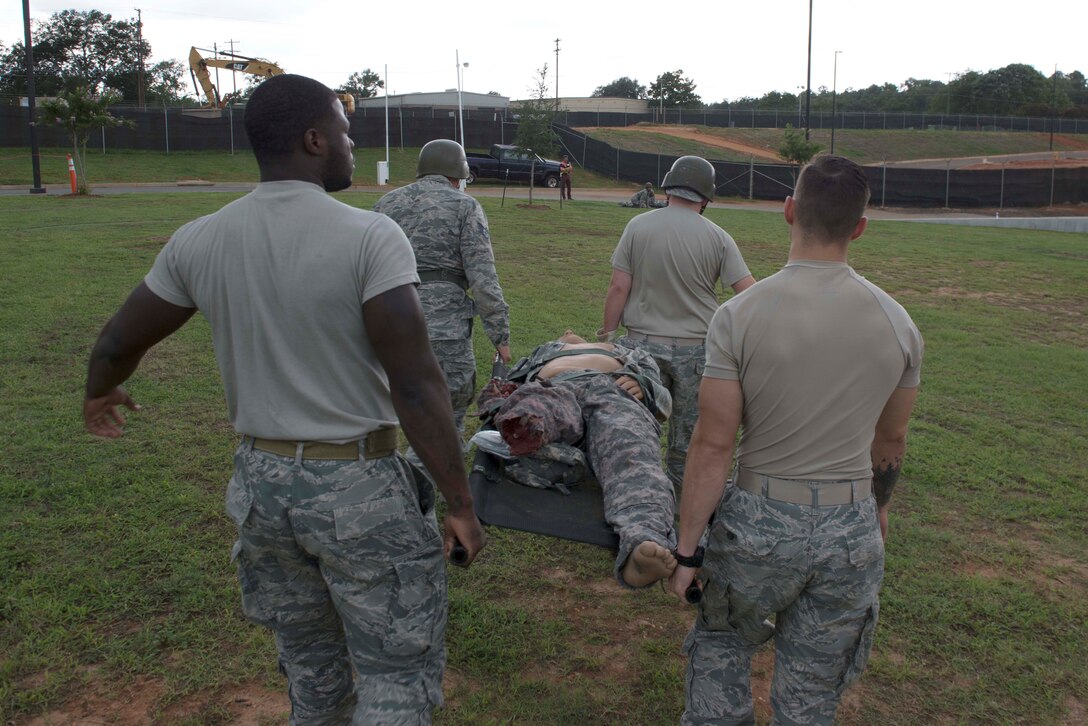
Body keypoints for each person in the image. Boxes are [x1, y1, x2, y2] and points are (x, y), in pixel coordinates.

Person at [81, 74, 485, 724]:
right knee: (394, 676)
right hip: (356, 488)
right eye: (346, 133)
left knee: (312, 675)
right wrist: (461, 504)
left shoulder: (200, 238)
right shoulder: (369, 238)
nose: (352, 147)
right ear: (313, 138)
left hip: (262, 493)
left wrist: (100, 392)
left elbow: (116, 342)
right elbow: (415, 384)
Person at [668, 155, 924, 725]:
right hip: (851, 528)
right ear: (860, 226)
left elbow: (712, 445)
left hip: (759, 524)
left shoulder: (738, 316)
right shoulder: (898, 323)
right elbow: (893, 440)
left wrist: (687, 552)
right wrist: (876, 510)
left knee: (722, 654)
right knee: (810, 700)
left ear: (789, 212)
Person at [601, 155, 756, 490]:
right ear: (705, 197)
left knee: (637, 431)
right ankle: (682, 506)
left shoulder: (638, 226)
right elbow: (748, 293)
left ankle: (638, 497)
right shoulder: (718, 236)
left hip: (642, 348)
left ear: (667, 187)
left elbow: (618, 287)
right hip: (698, 352)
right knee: (688, 439)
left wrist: (608, 334)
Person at [479, 331, 678, 588]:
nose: (570, 334)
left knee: (631, 452)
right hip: (554, 389)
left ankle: (642, 541)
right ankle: (532, 433)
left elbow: (663, 401)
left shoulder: (627, 352)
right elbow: (513, 381)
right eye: (566, 334)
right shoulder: (546, 350)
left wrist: (643, 384)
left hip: (612, 390)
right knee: (535, 412)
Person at [374, 139, 511, 462]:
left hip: (388, 315)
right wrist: (500, 335)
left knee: (397, 399)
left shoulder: (386, 204)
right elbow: (482, 277)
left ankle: (400, 464)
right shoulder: (464, 206)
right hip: (443, 321)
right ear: (458, 173)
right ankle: (427, 470)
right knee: (450, 403)